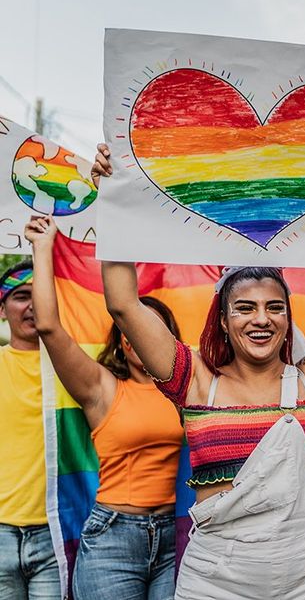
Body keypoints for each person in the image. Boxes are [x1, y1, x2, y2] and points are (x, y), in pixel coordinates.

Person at [94, 142, 305, 600]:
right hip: (215, 581)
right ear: (223, 318)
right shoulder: (195, 380)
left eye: (275, 307)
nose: (262, 319)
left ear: (287, 318)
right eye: (245, 308)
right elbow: (122, 302)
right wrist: (112, 200)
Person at [26, 214, 184, 600]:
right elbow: (48, 326)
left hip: (176, 535)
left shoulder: (190, 390)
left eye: (153, 329)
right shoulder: (102, 388)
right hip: (114, 536)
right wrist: (42, 248)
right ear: (121, 342)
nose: (143, 339)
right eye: (133, 331)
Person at [0, 259, 61, 599]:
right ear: (3, 309)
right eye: (21, 296)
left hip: (57, 529)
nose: (33, 305)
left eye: (41, 294)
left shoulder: (78, 370)